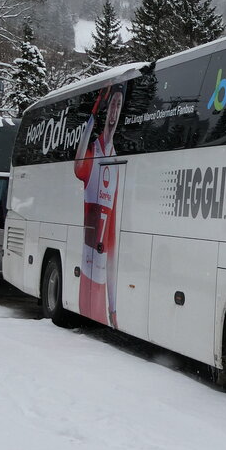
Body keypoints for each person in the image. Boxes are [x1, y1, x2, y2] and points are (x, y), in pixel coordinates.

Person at [74, 84, 125, 327]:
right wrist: (92, 117)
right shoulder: (92, 151)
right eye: (112, 104)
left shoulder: (117, 161)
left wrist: (113, 308)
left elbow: (113, 243)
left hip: (101, 276)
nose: (114, 110)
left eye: (119, 105)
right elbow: (77, 166)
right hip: (86, 269)